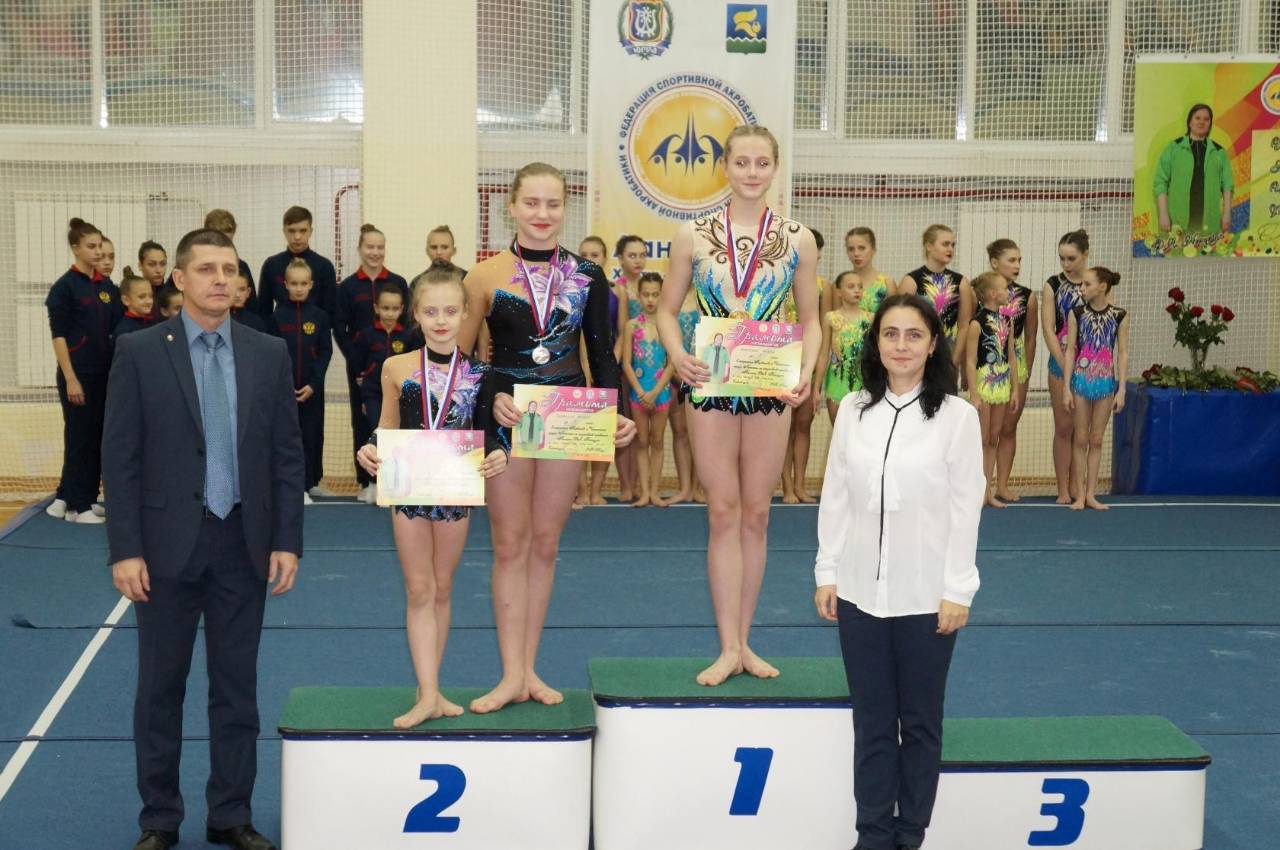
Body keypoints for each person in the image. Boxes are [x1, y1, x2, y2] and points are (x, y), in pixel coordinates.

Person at [103, 227, 303, 850]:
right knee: (159, 690)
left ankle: (230, 814)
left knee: (237, 690)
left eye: (230, 269)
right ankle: (159, 819)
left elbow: (286, 454)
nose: (220, 279)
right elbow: (120, 457)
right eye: (207, 269)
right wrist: (125, 548)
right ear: (180, 279)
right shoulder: (138, 351)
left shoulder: (269, 353)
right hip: (164, 548)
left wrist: (287, 539)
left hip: (243, 542)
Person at [457, 161, 634, 713]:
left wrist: (615, 411)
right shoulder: (483, 276)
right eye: (531, 203)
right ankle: (510, 673)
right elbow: (459, 363)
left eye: (553, 204)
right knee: (510, 544)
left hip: (567, 416)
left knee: (547, 544)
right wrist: (490, 399)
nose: (542, 214)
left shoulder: (587, 274)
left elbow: (602, 352)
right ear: (511, 206)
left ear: (565, 208)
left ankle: (529, 669)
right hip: (507, 419)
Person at [814, 293, 984, 850]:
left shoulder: (957, 418)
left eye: (914, 335)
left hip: (927, 599)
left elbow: (966, 508)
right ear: (876, 343)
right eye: (891, 334)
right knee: (872, 723)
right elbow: (836, 493)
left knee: (921, 724)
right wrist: (827, 570)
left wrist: (958, 589)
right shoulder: (852, 410)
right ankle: (873, 835)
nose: (901, 345)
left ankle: (910, 835)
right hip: (859, 596)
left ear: (933, 345)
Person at [657, 124, 820, 687]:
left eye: (762, 163)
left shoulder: (798, 239)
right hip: (712, 380)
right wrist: (678, 355)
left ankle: (745, 642)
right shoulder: (693, 235)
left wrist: (805, 370)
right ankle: (728, 646)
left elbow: (811, 318)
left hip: (771, 382)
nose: (752, 172)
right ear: (724, 167)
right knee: (722, 510)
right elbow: (665, 310)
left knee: (758, 512)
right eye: (742, 162)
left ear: (775, 168)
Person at [355, 267, 507, 728]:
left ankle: (432, 690)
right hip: (409, 486)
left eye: (450, 311)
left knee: (442, 587)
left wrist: (499, 453)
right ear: (416, 315)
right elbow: (386, 426)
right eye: (431, 312)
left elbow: (489, 432)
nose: (441, 321)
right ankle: (427, 695)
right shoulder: (397, 368)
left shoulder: (481, 373)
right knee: (419, 588)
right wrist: (370, 447)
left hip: (456, 489)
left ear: (465, 314)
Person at [45, 217, 120, 524]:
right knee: (79, 437)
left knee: (97, 437)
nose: (98, 252)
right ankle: (77, 506)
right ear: (76, 248)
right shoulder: (64, 287)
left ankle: (86, 497)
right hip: (78, 375)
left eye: (100, 246)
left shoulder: (106, 286)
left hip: (103, 374)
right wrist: (71, 378)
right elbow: (59, 335)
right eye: (91, 246)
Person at [337, 224, 410, 503]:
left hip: (395, 372)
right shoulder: (347, 287)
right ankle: (366, 480)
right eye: (370, 246)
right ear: (360, 249)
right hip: (362, 371)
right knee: (363, 422)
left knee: (398, 424)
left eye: (380, 247)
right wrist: (359, 368)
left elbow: (408, 328)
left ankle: (395, 479)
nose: (375, 252)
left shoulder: (398, 282)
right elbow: (340, 328)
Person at [269, 259, 332, 504]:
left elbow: (325, 352)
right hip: (284, 390)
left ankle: (310, 483)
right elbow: (273, 354)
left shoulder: (320, 317)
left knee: (312, 435)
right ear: (285, 285)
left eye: (303, 283)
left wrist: (314, 384)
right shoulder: (277, 317)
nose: (298, 288)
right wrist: (282, 385)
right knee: (288, 439)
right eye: (293, 283)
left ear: (311, 285)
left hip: (311, 390)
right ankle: (294, 486)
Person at [1065, 267, 1128, 512]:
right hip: (1081, 381)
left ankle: (1091, 494)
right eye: (1081, 284)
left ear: (1102, 287)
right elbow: (1070, 350)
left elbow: (1122, 353)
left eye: (1087, 284)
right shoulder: (1077, 313)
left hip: (1105, 383)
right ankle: (1080, 494)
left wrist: (1121, 388)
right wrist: (1066, 388)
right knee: (1080, 438)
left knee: (1097, 439)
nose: (1082, 288)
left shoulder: (1119, 315)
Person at [352, 283, 416, 505]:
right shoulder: (367, 335)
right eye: (385, 308)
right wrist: (363, 394)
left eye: (395, 309)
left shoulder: (407, 336)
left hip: (398, 395)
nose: (390, 314)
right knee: (376, 433)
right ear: (376, 308)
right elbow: (357, 363)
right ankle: (372, 484)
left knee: (396, 437)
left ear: (402, 309)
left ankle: (394, 484)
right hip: (372, 393)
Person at [966, 271, 1020, 508]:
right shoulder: (976, 323)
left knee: (994, 439)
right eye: (1005, 288)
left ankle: (988, 491)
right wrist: (974, 394)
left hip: (1002, 383)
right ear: (992, 294)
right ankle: (977, 491)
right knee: (983, 439)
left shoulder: (1008, 320)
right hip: (984, 383)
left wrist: (1015, 389)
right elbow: (970, 361)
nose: (1009, 292)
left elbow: (1012, 356)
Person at [987, 239, 1036, 502]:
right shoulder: (981, 291)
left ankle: (1002, 485)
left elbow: (1030, 338)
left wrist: (1024, 373)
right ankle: (983, 486)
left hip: (1015, 365)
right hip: (987, 366)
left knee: (1008, 427)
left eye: (1019, 260)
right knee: (987, 431)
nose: (1017, 265)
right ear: (995, 263)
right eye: (1011, 260)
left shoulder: (1027, 296)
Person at [1041, 230, 1088, 504]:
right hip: (1060, 361)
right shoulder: (1053, 285)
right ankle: (1062, 488)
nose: (1066, 264)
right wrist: (1063, 362)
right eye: (1062, 259)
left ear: (1085, 255)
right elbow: (1048, 328)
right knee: (1063, 426)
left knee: (1082, 430)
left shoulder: (1097, 282)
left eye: (1071, 258)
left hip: (1089, 364)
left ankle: (1077, 485)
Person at [623, 272, 674, 507]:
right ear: (638, 295)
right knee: (642, 442)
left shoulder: (668, 325)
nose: (651, 299)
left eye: (655, 294)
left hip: (661, 393)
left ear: (662, 295)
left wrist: (655, 392)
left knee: (658, 441)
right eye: (646, 294)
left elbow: (672, 363)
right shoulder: (631, 326)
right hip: (638, 393)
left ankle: (655, 492)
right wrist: (641, 391)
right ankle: (644, 492)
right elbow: (626, 364)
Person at [781, 227, 824, 504]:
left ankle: (800, 484)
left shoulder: (823, 286)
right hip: (782, 361)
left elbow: (822, 330)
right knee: (782, 428)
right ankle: (786, 486)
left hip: (807, 363)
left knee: (803, 426)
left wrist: (816, 381)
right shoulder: (779, 283)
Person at [574, 235, 617, 507]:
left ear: (605, 258)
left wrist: (611, 366)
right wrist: (585, 369)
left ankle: (596, 489)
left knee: (604, 429)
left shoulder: (617, 293)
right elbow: (578, 336)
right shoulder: (571, 290)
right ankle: (581, 489)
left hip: (608, 367)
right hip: (579, 367)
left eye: (595, 255)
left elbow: (621, 332)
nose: (590, 259)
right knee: (578, 433)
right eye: (584, 254)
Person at [898, 224, 972, 371]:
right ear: (929, 246)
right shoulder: (911, 281)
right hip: (917, 354)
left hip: (947, 355)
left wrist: (954, 360)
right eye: (945, 244)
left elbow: (964, 325)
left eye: (953, 245)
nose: (950, 249)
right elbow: (899, 320)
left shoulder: (960, 282)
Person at [1154, 103, 1233, 235]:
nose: (1202, 122)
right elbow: (1160, 182)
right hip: (1177, 224)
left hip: (1209, 225)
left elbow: (1227, 186)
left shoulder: (1219, 152)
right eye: (1197, 118)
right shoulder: (1174, 148)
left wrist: (1226, 214)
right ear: (1189, 122)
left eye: (1206, 119)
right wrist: (1163, 214)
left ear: (1210, 124)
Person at [257, 206, 337, 326]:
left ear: (311, 231)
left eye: (303, 231)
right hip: (279, 333)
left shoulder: (324, 267)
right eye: (291, 231)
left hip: (314, 333)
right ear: (284, 231)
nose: (297, 237)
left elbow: (330, 311)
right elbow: (263, 310)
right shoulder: (271, 265)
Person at [614, 234, 648, 501]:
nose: (638, 260)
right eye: (632, 255)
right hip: (626, 365)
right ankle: (626, 485)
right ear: (620, 259)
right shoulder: (618, 289)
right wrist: (616, 364)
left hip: (651, 366)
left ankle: (640, 485)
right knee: (625, 426)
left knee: (644, 432)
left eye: (642, 255)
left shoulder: (652, 288)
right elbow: (620, 330)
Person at [814, 271, 870, 423]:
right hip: (836, 382)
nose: (857, 290)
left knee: (860, 430)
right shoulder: (831, 318)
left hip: (863, 383)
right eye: (851, 286)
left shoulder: (870, 319)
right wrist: (816, 388)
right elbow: (823, 354)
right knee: (839, 430)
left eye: (860, 287)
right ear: (838, 292)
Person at [204, 209, 257, 310]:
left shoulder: (241, 266)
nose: (222, 245)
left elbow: (252, 306)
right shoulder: (190, 264)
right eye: (218, 240)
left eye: (228, 241)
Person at [844, 226, 892, 316]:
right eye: (851, 249)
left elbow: (893, 318)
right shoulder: (840, 284)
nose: (856, 254)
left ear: (873, 250)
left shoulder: (887, 283)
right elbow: (834, 319)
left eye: (861, 248)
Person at [137, 241, 168, 316]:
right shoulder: (132, 295)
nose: (158, 270)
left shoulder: (173, 294)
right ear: (140, 266)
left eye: (162, 264)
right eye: (151, 264)